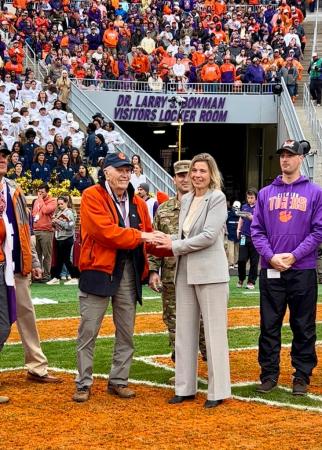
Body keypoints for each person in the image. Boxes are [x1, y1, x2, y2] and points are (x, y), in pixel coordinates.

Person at [73, 151, 157, 403]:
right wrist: (141, 236)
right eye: (119, 169)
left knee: (126, 331)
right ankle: (83, 383)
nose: (124, 174)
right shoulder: (91, 196)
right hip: (98, 270)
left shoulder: (139, 203)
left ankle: (119, 380)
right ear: (106, 172)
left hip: (129, 271)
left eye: (127, 170)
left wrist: (158, 259)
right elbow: (105, 233)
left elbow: (150, 236)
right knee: (88, 330)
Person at [154, 153, 231, 409]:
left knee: (213, 333)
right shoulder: (186, 199)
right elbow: (181, 234)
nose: (196, 175)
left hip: (210, 272)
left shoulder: (217, 198)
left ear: (212, 174)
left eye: (202, 171)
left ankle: (217, 391)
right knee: (184, 331)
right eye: (194, 171)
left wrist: (173, 245)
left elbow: (209, 236)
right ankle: (184, 388)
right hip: (184, 270)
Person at [251, 140, 322, 396]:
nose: (285, 159)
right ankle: (269, 374)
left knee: (303, 325)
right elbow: (256, 231)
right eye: (282, 154)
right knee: (269, 324)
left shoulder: (315, 192)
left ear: (301, 158)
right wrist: (271, 257)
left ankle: (301, 375)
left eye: (290, 155)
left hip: (302, 269)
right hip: (271, 270)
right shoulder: (265, 193)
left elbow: (318, 231)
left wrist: (293, 256)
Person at [0, 146, 60, 404]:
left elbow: (25, 226)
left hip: (15, 262)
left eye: (3, 156)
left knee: (26, 312)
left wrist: (33, 260)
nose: (2, 159)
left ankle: (37, 366)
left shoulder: (13, 188)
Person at [149, 160, 207, 372]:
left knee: (203, 323)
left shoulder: (205, 206)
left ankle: (212, 367)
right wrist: (153, 270)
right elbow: (155, 243)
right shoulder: (163, 210)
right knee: (174, 323)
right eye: (180, 175)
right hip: (172, 277)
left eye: (188, 174)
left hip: (199, 274)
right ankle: (182, 370)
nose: (184, 179)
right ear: (174, 179)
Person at [47, 196, 79, 286]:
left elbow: (71, 225)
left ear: (66, 203)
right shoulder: (59, 212)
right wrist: (54, 222)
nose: (60, 205)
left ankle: (74, 277)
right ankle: (56, 277)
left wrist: (59, 221)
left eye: (62, 204)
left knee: (66, 259)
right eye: (59, 204)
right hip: (59, 237)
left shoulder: (69, 212)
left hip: (67, 238)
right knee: (60, 259)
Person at [32, 183, 57, 282]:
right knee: (37, 254)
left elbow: (46, 210)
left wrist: (41, 200)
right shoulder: (36, 201)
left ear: (47, 191)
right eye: (39, 192)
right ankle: (38, 275)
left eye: (42, 192)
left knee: (46, 254)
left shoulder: (53, 201)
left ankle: (46, 275)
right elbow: (34, 212)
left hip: (46, 230)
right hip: (36, 229)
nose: (40, 193)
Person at [236, 188, 260, 289]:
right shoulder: (244, 206)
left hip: (256, 237)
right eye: (248, 197)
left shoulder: (260, 207)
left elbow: (261, 220)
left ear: (256, 198)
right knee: (241, 259)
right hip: (244, 236)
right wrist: (238, 229)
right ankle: (241, 278)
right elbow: (241, 218)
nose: (250, 199)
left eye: (252, 197)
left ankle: (251, 282)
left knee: (254, 261)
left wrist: (252, 218)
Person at [226, 200, 240, 269]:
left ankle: (231, 264)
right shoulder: (240, 214)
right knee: (236, 250)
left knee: (231, 249)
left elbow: (225, 223)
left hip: (231, 234)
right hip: (237, 234)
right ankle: (236, 263)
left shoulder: (228, 214)